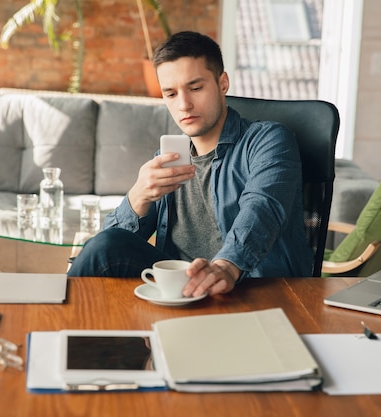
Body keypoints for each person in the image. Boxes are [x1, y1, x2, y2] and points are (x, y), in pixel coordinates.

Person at [68, 31, 314, 296]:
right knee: (107, 244)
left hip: (248, 288)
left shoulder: (267, 139)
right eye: (171, 94)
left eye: (195, 88)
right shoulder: (167, 160)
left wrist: (226, 266)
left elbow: (262, 208)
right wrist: (138, 196)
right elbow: (107, 250)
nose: (184, 104)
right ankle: (57, 326)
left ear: (222, 83)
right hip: (178, 290)